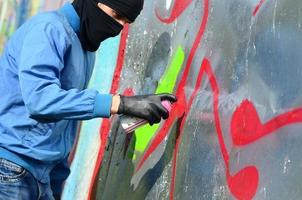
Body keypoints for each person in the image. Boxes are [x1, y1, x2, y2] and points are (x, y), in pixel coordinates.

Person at [0, 0, 177, 199]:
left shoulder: (84, 48)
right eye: (116, 15)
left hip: (41, 177)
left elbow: (64, 123)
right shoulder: (49, 29)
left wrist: (57, 180)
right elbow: (40, 100)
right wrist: (119, 103)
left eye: (126, 22)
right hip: (10, 170)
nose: (118, 27)